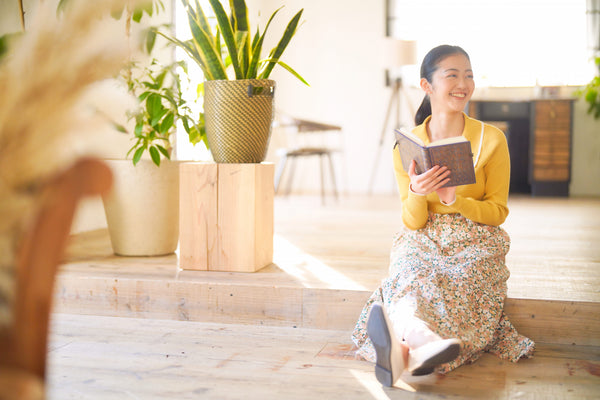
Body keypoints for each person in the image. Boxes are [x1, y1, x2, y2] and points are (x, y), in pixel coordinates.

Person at [352, 45, 535, 386]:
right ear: (426, 85)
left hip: (476, 237)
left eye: (468, 75)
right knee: (410, 278)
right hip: (424, 236)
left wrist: (455, 201)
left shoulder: (492, 139)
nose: (462, 83)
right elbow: (412, 221)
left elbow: (497, 212)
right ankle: (420, 345)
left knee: (462, 284)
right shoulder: (407, 144)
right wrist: (420, 194)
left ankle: (403, 349)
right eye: (452, 75)